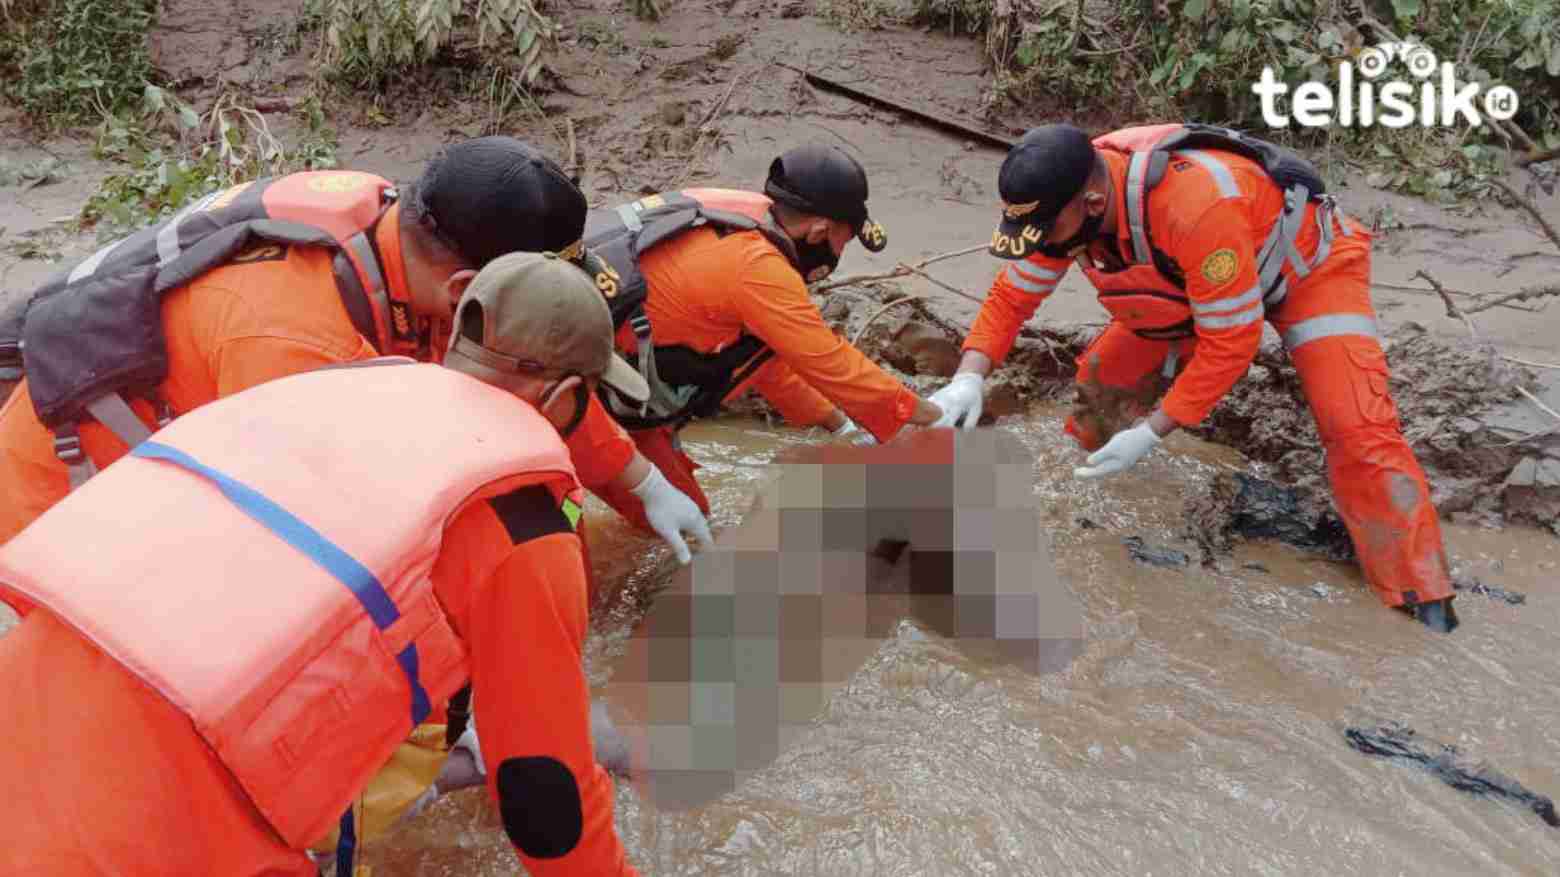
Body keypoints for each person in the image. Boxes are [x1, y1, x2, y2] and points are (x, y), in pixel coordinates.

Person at [0, 251, 646, 876]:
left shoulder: (329, 386)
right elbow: (545, 804)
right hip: (142, 829)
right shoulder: (518, 522)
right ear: (563, 397)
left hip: (27, 714)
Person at [0, 134, 710, 588]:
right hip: (59, 509)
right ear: (469, 293)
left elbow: (532, 367)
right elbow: (312, 562)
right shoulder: (298, 345)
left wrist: (641, 482)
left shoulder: (404, 241)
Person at [929, 121, 1458, 632]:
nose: (1038, 240)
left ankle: (1420, 595)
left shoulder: (1192, 204)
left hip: (1306, 269)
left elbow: (1231, 344)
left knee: (1357, 427)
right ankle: (1086, 488)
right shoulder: (1063, 201)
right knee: (1101, 375)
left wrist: (1153, 430)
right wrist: (969, 375)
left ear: (1092, 205)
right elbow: (1011, 297)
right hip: (1188, 277)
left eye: (1045, 231)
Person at [562, 144, 946, 536]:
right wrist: (933, 418)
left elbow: (766, 361)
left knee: (690, 516)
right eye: (845, 240)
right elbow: (833, 364)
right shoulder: (758, 269)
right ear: (820, 231)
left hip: (600, 370)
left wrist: (839, 425)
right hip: (572, 400)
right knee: (614, 529)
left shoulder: (739, 212)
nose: (839, 252)